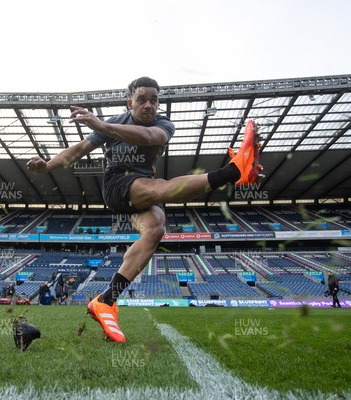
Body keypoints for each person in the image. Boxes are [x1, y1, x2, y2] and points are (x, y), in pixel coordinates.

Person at [27, 76, 263, 343]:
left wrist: (102, 124)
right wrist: (47, 165)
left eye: (154, 100)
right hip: (117, 183)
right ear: (130, 102)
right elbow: (77, 150)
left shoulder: (163, 125)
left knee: (155, 227)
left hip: (140, 190)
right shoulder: (114, 123)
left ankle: (106, 300)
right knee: (158, 188)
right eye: (142, 99)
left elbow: (150, 137)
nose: (149, 105)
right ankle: (233, 172)